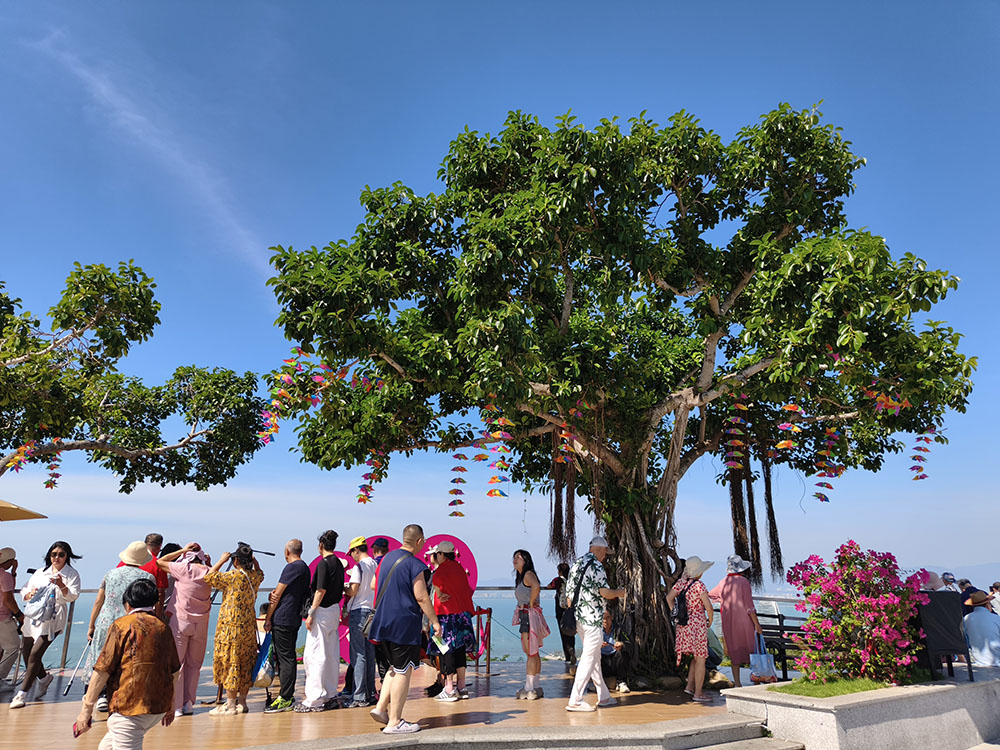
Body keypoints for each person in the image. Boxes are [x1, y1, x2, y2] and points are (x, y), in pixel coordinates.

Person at [74, 578, 181, 750]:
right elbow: (174, 671)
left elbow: (102, 670)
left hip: (129, 708)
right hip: (158, 706)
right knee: (106, 747)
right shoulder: (163, 628)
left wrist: (86, 710)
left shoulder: (121, 626)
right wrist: (171, 703)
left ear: (128, 603)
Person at [368, 523, 441, 734]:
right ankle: (394, 721)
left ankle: (381, 708)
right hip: (404, 624)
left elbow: (374, 585)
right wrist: (434, 621)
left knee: (394, 667)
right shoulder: (415, 565)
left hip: (383, 622)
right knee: (404, 671)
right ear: (418, 541)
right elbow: (421, 596)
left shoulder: (387, 559)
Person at [84, 542, 157, 711]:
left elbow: (98, 601)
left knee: (103, 657)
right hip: (132, 623)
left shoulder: (110, 574)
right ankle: (122, 694)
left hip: (106, 621)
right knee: (127, 659)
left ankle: (100, 695)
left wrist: (91, 625)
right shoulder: (147, 578)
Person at [11, 540, 82, 709]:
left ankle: (22, 694)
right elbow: (25, 589)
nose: (56, 558)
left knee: (35, 654)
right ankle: (43, 678)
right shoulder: (40, 572)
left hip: (53, 617)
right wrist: (29, 594)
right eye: (53, 554)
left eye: (61, 554)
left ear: (67, 556)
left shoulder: (71, 574)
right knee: (27, 653)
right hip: (34, 615)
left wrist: (62, 585)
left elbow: (73, 596)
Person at [563, 535, 626, 712]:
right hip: (592, 619)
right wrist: (620, 593)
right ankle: (575, 699)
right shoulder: (597, 566)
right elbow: (605, 592)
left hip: (579, 619)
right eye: (605, 552)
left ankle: (604, 696)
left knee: (595, 657)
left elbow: (568, 596)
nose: (605, 556)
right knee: (589, 658)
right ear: (599, 549)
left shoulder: (576, 564)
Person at [204, 543, 264, 715]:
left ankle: (230, 704)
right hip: (247, 626)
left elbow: (209, 577)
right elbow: (261, 573)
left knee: (231, 661)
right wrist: (254, 560)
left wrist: (221, 561)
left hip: (230, 626)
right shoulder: (254, 576)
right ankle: (242, 703)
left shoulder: (232, 576)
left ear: (236, 560)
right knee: (245, 663)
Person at [157, 542, 212, 717]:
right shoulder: (209, 572)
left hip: (181, 621)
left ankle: (177, 705)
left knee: (177, 664)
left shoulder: (183, 569)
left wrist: (183, 550)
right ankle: (189, 703)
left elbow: (160, 562)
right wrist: (209, 563)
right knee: (194, 665)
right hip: (201, 623)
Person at [297, 530, 345, 713]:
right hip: (334, 609)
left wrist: (311, 612)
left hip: (323, 611)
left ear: (321, 546)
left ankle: (315, 698)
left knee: (315, 654)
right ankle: (330, 693)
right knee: (331, 652)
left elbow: (320, 590)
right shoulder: (339, 564)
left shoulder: (324, 564)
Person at [264, 539, 310, 713]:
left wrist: (268, 617)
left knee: (285, 659)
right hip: (294, 617)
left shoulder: (291, 567)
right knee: (288, 656)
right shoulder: (304, 568)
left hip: (283, 617)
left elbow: (277, 593)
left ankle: (286, 697)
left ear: (287, 551)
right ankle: (286, 695)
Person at [428, 540, 477, 702]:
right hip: (462, 616)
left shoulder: (440, 571)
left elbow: (438, 591)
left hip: (446, 616)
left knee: (445, 650)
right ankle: (462, 687)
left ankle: (449, 688)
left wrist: (441, 595)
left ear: (441, 554)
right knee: (460, 651)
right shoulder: (460, 569)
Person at [708, 554, 763, 688]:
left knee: (734, 650)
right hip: (744, 621)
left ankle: (737, 682)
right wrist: (757, 624)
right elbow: (749, 606)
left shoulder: (723, 582)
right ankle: (756, 680)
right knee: (752, 649)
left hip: (728, 621)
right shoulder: (744, 582)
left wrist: (722, 600)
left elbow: (711, 594)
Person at [666, 555, 715, 703]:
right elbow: (709, 607)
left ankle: (690, 686)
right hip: (697, 626)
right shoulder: (699, 586)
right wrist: (710, 620)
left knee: (695, 658)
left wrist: (677, 614)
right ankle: (698, 693)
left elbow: (669, 598)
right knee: (700, 659)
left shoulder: (681, 583)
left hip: (684, 625)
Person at [344, 534, 377, 708]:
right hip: (373, 611)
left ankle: (359, 696)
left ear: (356, 550)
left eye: (352, 553)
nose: (352, 556)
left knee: (358, 654)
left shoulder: (359, 567)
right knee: (370, 653)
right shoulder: (376, 564)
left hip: (359, 611)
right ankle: (371, 692)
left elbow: (353, 591)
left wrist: (345, 587)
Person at [512, 549, 549, 700]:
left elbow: (536, 586)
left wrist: (531, 602)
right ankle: (535, 685)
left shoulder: (528, 575)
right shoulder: (522, 577)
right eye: (514, 557)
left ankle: (529, 687)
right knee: (533, 652)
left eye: (518, 558)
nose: (515, 560)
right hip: (526, 615)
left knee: (530, 652)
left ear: (526, 560)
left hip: (528, 615)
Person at [116, 533, 168, 619]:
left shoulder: (124, 562)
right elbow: (160, 594)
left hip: (122, 611)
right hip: (145, 614)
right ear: (159, 547)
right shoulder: (158, 564)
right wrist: (158, 616)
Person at [0, 547, 24, 683]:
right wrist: (19, 614)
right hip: (3, 618)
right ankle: (0, 676)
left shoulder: (6, 576)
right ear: (10, 560)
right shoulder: (5, 576)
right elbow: (8, 599)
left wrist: (13, 573)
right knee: (14, 648)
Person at [547, 562, 576, 665]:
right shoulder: (572, 580)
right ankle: (572, 648)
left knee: (563, 632)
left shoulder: (557, 580)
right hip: (571, 609)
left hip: (560, 610)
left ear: (559, 571)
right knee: (571, 631)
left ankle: (568, 656)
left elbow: (549, 586)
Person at [963, 590, 1000, 666]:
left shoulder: (966, 619)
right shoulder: (996, 618)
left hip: (978, 661)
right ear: (987, 604)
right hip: (997, 660)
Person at [600, 610, 631, 693]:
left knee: (622, 653)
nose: (605, 621)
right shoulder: (597, 630)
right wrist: (598, 645)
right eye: (603, 618)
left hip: (615, 661)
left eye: (608, 618)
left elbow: (629, 643)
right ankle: (598, 682)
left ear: (612, 617)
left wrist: (621, 644)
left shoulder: (619, 629)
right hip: (602, 661)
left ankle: (621, 682)